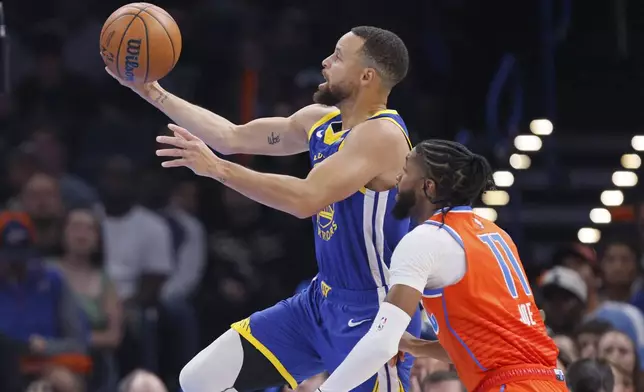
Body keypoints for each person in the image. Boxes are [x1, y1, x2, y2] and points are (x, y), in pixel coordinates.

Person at [108, 26, 421, 391]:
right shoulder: (319, 121)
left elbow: (306, 198)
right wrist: (149, 90)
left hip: (374, 313)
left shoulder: (382, 136)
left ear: (367, 75)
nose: (325, 62)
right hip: (319, 303)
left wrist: (217, 169)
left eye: (337, 56)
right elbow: (230, 136)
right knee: (199, 379)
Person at [313, 140, 565, 392]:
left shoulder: (426, 239)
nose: (398, 177)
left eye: (407, 169)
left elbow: (381, 341)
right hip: (549, 382)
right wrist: (415, 346)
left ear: (427, 186)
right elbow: (486, 344)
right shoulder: (496, 234)